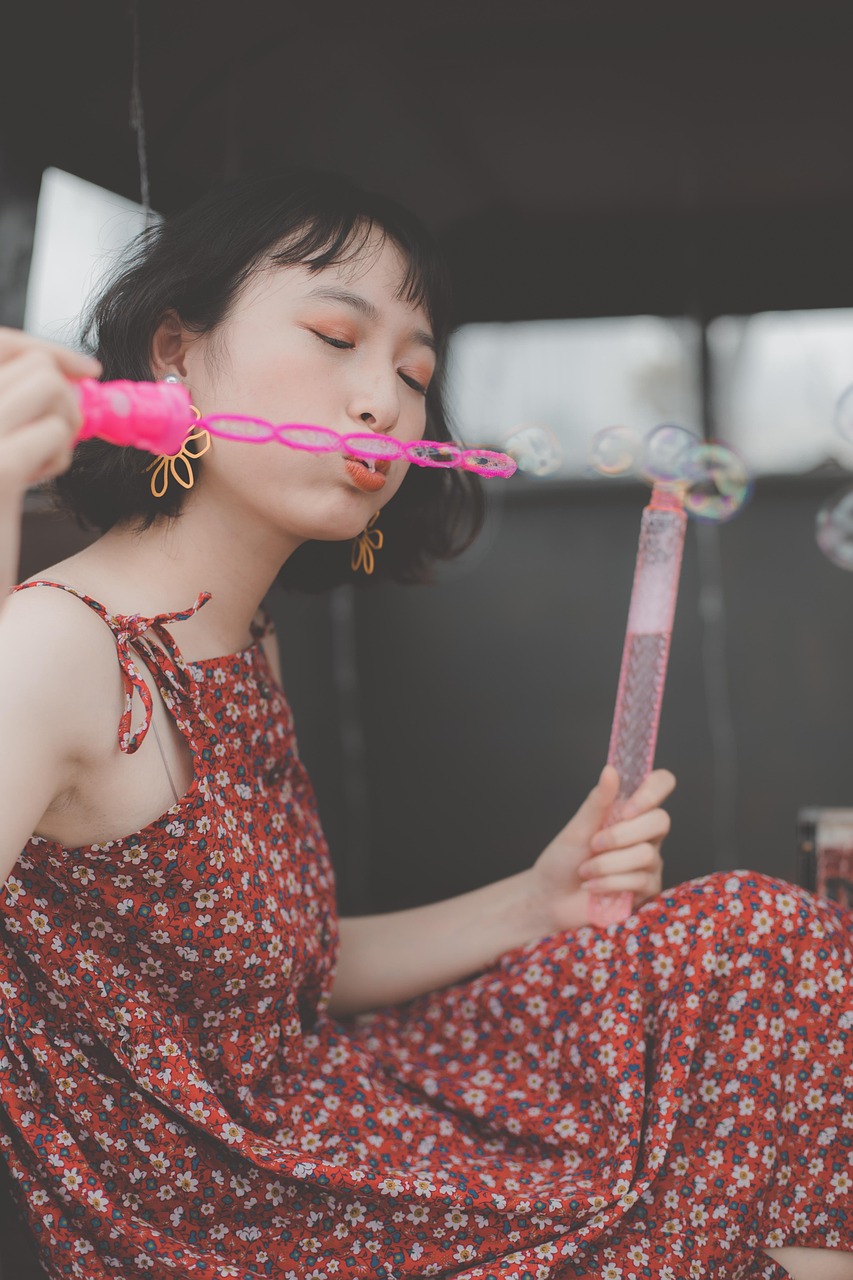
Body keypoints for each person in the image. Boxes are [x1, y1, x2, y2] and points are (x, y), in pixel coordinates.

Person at [0, 171, 849, 1280]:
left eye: (414, 373)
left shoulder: (241, 636)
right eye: (333, 337)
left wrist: (537, 900)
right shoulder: (55, 647)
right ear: (174, 352)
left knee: (756, 941)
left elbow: (284, 967)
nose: (384, 402)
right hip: (245, 1217)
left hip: (332, 1115)